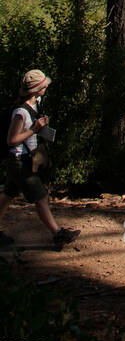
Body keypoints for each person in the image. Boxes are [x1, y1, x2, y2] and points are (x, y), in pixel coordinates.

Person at [0, 69, 79, 251]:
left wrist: (41, 125)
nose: (46, 87)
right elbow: (11, 140)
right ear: (36, 89)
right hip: (19, 160)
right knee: (41, 197)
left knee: (8, 195)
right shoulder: (20, 112)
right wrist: (34, 129)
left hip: (22, 160)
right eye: (44, 85)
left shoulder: (35, 103)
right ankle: (57, 234)